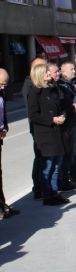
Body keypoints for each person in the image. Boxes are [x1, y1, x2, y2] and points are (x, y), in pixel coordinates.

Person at [27, 64, 71, 206]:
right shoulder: (34, 92)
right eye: (45, 72)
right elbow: (33, 115)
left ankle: (54, 192)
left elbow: (61, 105)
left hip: (57, 131)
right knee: (47, 166)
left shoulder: (52, 88)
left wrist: (62, 116)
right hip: (45, 134)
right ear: (39, 74)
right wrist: (52, 120)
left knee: (57, 165)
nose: (48, 73)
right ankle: (47, 195)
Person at [56, 62, 76, 191]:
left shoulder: (73, 83)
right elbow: (65, 102)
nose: (74, 71)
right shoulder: (61, 85)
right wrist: (74, 105)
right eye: (71, 69)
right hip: (69, 122)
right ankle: (68, 177)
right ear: (64, 72)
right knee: (70, 153)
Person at [22, 56, 46, 200]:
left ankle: (44, 186)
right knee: (40, 156)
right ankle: (37, 187)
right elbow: (33, 110)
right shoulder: (29, 85)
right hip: (38, 126)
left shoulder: (40, 83)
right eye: (41, 67)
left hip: (46, 125)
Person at [0, 68, 20, 217]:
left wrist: (4, 128)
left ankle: (2, 204)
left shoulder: (1, 93)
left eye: (5, 85)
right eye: (1, 84)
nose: (3, 87)